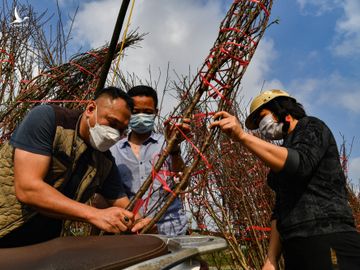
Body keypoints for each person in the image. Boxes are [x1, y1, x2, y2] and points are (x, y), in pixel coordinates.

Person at [210, 89, 360, 270]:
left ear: (282, 110)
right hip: (294, 246)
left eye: (262, 117)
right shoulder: (284, 151)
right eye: (257, 123)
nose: (261, 126)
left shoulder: (312, 127)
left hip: (328, 238)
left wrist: (242, 136)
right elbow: (280, 209)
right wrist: (271, 259)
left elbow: (300, 164)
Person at [0, 86, 150, 247]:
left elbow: (122, 204)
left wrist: (139, 221)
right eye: (112, 123)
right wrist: (94, 214)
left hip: (40, 245)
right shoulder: (49, 120)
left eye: (121, 130)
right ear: (91, 109)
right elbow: (28, 189)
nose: (115, 134)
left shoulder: (104, 162)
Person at [110, 85, 189, 236]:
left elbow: (183, 183)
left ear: (156, 113)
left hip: (172, 231)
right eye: (135, 112)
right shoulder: (114, 151)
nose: (141, 116)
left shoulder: (168, 144)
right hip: (132, 233)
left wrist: (174, 150)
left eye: (147, 112)